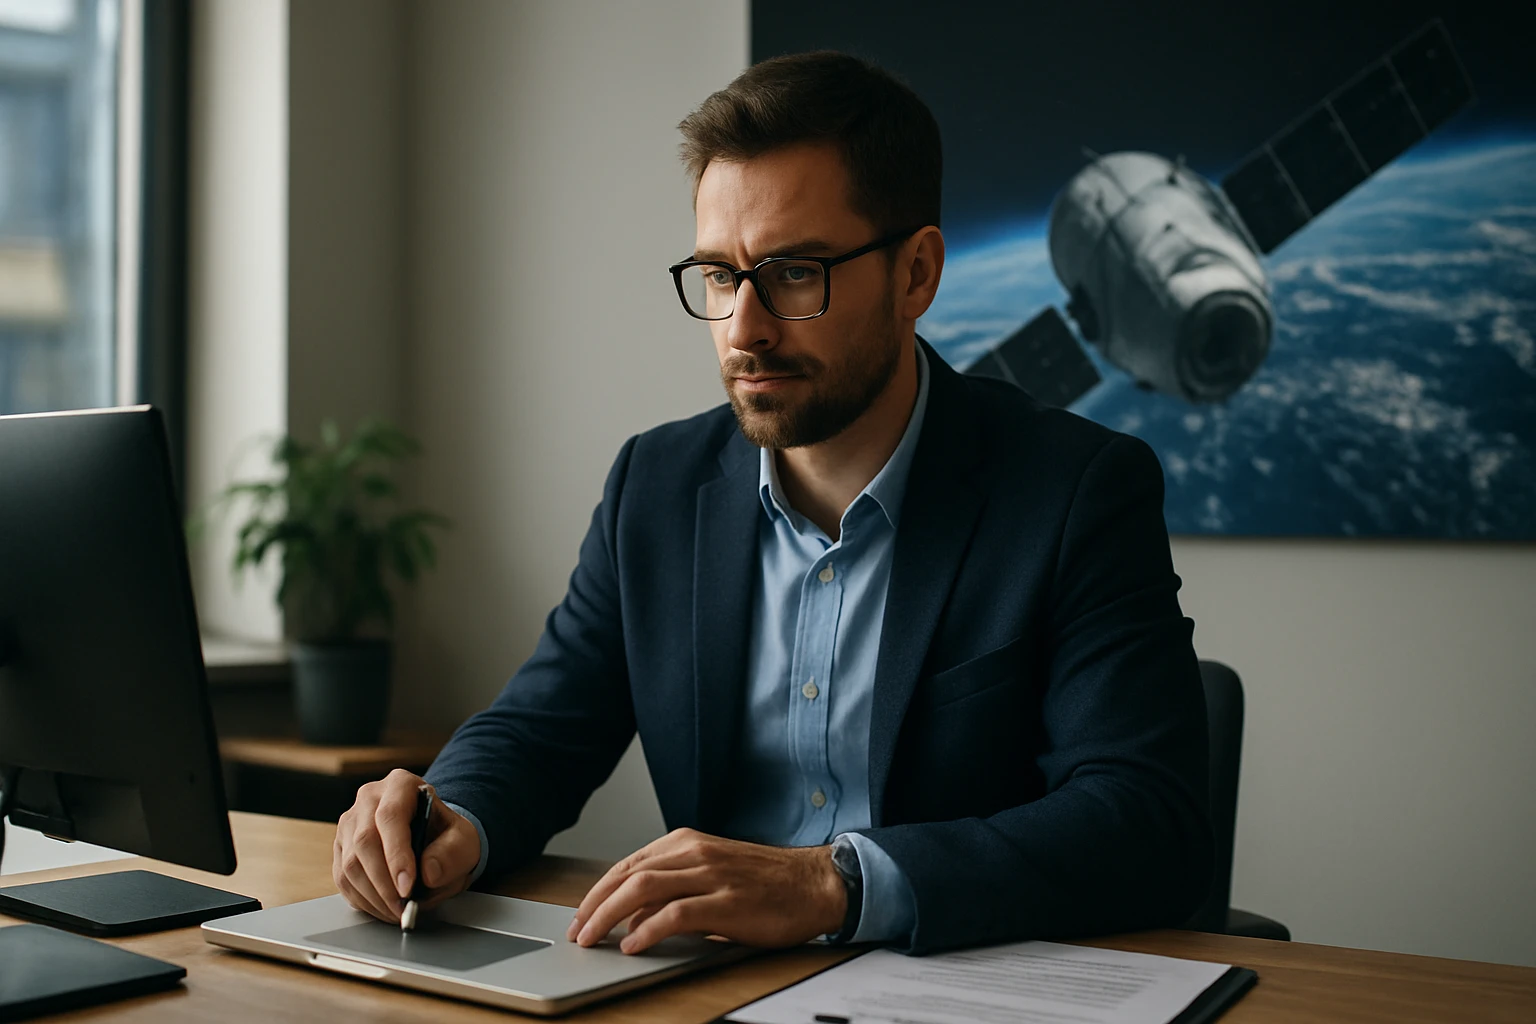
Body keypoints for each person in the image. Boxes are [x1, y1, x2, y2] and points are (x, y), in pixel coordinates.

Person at [332, 51, 1211, 957]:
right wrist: (450, 816)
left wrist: (833, 884)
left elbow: (1149, 818)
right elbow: (541, 728)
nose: (744, 329)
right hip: (704, 984)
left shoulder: (1074, 490)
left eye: (794, 272)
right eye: (720, 275)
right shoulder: (655, 486)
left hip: (958, 987)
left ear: (916, 274)